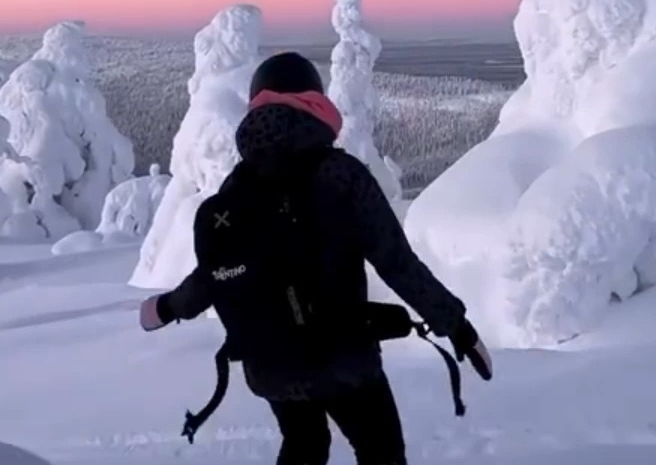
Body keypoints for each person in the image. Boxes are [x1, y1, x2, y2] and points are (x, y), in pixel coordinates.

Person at [138, 51, 492, 465]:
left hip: (270, 365)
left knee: (305, 444)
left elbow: (214, 275)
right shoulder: (341, 174)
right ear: (315, 103)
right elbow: (397, 263)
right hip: (344, 361)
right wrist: (456, 324)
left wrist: (164, 308)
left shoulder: (238, 186)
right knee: (381, 452)